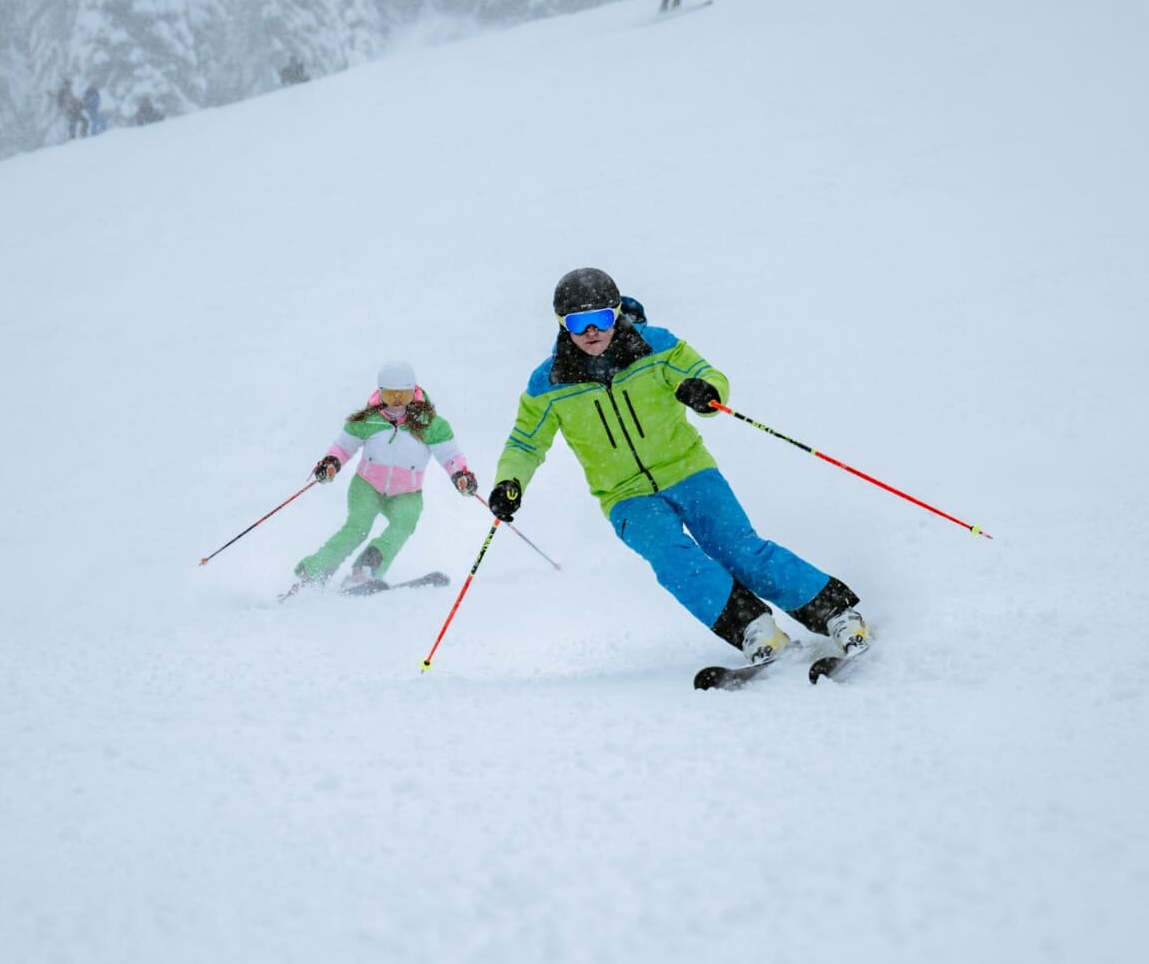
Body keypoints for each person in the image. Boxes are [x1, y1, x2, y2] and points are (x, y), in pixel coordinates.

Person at [488, 268, 869, 667]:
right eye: (578, 323)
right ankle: (755, 629)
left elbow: (706, 374)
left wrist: (705, 391)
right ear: (562, 326)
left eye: (600, 319)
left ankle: (838, 615)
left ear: (617, 314)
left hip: (689, 471)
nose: (591, 332)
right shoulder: (548, 383)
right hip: (625, 495)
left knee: (740, 550)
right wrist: (509, 481)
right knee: (674, 560)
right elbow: (525, 443)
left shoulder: (656, 347)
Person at [290, 360, 479, 596]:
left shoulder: (430, 424)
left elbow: (450, 455)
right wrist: (331, 463)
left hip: (406, 492)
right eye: (391, 394)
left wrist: (460, 475)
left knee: (405, 523)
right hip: (367, 486)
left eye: (403, 394)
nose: (398, 400)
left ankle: (364, 571)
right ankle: (314, 573)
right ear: (380, 392)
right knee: (357, 528)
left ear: (414, 391)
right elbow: (343, 447)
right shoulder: (367, 420)